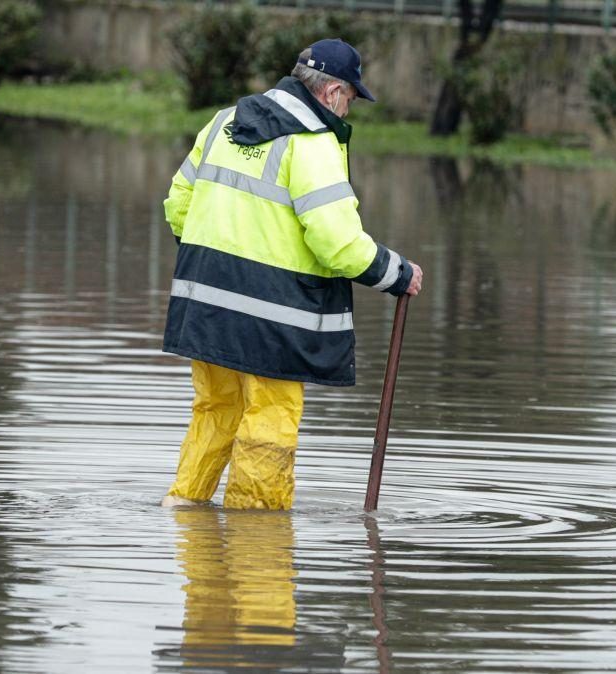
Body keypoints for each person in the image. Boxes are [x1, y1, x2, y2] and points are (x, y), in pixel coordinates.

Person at [159, 38, 422, 510]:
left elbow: (179, 204)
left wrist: (218, 257)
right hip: (273, 316)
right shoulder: (312, 143)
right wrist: (397, 273)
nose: (349, 110)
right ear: (332, 93)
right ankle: (255, 537)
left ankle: (185, 513)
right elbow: (336, 241)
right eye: (351, 99)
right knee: (271, 420)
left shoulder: (223, 121)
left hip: (205, 304)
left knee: (215, 411)